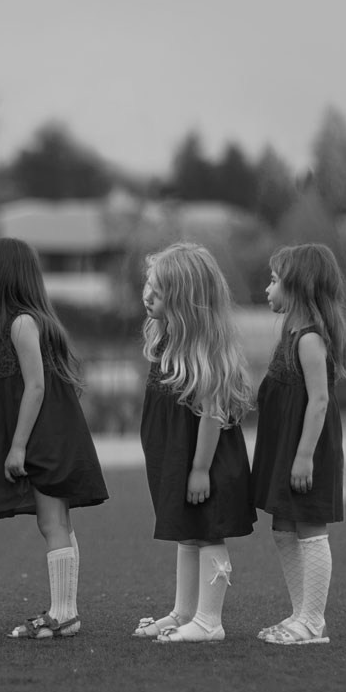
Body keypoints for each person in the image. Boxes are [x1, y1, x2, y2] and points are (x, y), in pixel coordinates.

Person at [0, 237, 108, 639]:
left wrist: (17, 446)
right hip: (48, 434)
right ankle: (65, 611)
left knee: (52, 522)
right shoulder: (23, 321)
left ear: (4, 275)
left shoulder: (23, 323)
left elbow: (35, 387)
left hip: (43, 438)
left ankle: (63, 615)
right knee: (58, 521)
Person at [134, 242, 256, 643]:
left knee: (207, 531)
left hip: (204, 464)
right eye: (147, 286)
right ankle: (184, 612)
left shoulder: (202, 349)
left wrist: (200, 469)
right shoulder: (167, 342)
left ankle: (209, 621)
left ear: (184, 299)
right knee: (186, 531)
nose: (146, 296)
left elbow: (213, 413)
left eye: (158, 290)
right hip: (177, 461)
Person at [251, 243, 346, 646]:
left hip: (305, 452)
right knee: (283, 529)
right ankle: (300, 614)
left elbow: (319, 400)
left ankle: (313, 623)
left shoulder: (310, 340)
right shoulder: (289, 334)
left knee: (309, 527)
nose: (267, 289)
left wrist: (304, 457)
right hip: (286, 450)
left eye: (275, 281)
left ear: (297, 288)